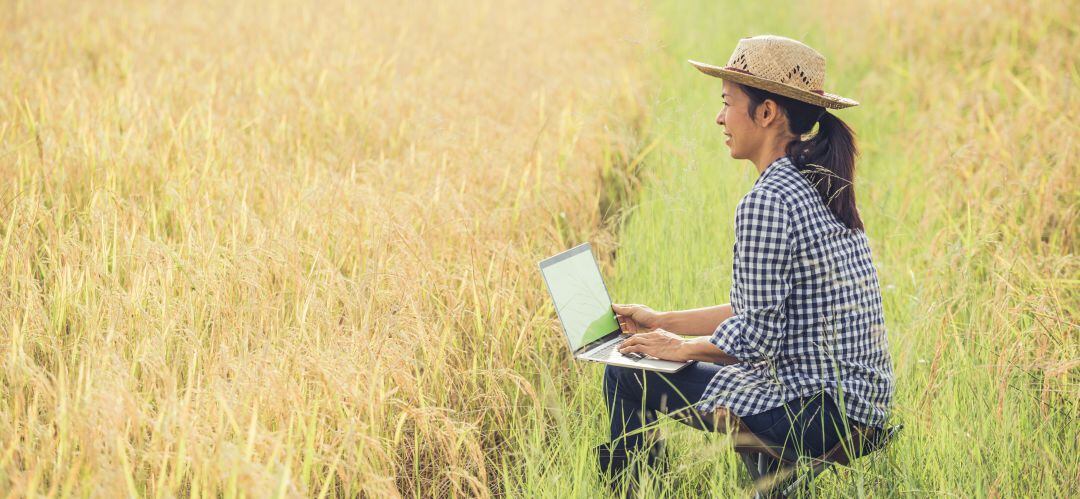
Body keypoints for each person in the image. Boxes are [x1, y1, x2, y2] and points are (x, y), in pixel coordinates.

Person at [597, 35, 895, 489]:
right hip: (860, 407)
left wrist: (677, 347)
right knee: (731, 374)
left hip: (816, 412)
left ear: (767, 113)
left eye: (727, 102)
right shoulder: (817, 184)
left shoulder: (768, 200)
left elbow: (755, 335)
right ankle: (772, 484)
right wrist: (661, 320)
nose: (720, 117)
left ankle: (635, 490)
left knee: (625, 372)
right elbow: (761, 310)